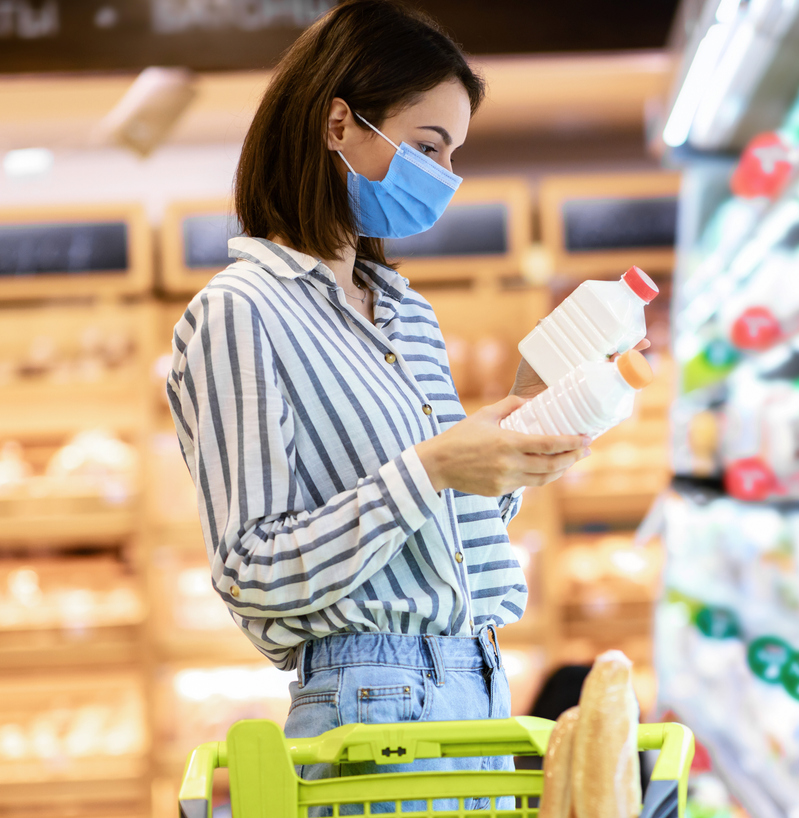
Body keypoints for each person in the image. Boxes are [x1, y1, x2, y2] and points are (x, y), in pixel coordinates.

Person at [165, 0, 644, 808]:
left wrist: (527, 421)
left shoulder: (404, 311)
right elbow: (251, 572)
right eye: (427, 147)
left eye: (454, 154)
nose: (446, 177)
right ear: (338, 125)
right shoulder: (240, 311)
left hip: (479, 676)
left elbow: (447, 519)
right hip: (369, 696)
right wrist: (430, 467)